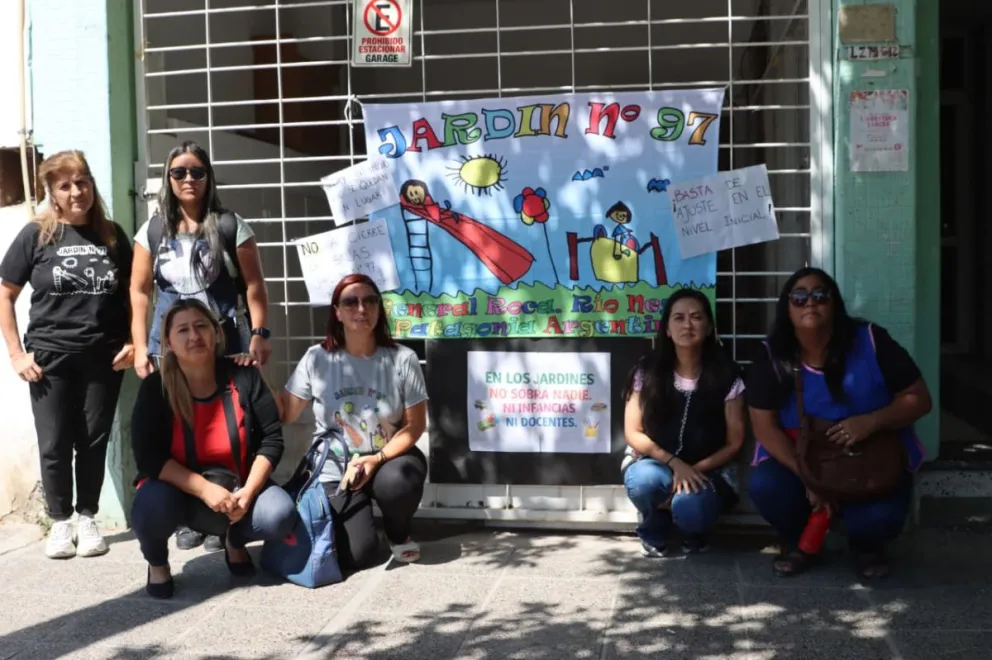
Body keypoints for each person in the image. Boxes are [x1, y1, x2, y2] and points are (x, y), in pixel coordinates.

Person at [130, 140, 273, 553]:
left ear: (209, 177)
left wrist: (260, 334)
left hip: (224, 342)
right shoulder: (152, 230)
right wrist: (139, 346)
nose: (188, 179)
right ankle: (188, 514)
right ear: (168, 179)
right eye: (179, 172)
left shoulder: (229, 225)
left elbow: (254, 285)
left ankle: (224, 516)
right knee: (179, 426)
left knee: (228, 426)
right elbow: (139, 291)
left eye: (197, 171)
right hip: (171, 348)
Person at [746, 267, 931, 579]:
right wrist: (810, 478)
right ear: (787, 307)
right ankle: (800, 541)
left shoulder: (871, 340)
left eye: (820, 295)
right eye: (799, 297)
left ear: (834, 303)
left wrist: (872, 421)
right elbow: (764, 426)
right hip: (802, 455)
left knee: (877, 518)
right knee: (766, 486)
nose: (810, 303)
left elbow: (920, 399)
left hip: (869, 454)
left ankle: (866, 545)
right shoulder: (772, 355)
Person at [0, 151, 134, 559]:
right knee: (54, 440)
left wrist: (133, 342)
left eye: (82, 182)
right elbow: (5, 295)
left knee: (93, 439)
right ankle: (60, 522)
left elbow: (135, 292)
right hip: (49, 358)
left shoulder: (112, 235)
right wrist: (17, 354)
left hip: (103, 357)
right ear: (52, 193)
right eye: (65, 185)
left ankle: (87, 516)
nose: (76, 192)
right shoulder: (36, 235)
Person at [130, 298, 296, 599]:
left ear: (217, 333)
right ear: (168, 342)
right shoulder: (156, 387)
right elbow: (149, 457)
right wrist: (205, 490)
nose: (194, 336)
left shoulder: (243, 375)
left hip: (237, 488)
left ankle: (234, 540)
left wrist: (249, 492)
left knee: (278, 514)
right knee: (150, 503)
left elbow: (272, 439)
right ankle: (157, 563)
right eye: (183, 330)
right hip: (178, 494)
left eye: (201, 326)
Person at [275, 273, 428, 571]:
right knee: (358, 555)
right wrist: (256, 370)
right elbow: (287, 413)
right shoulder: (316, 358)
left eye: (370, 301)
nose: (361, 309)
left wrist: (377, 459)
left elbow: (415, 425)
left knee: (399, 482)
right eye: (350, 302)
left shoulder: (402, 358)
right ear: (337, 312)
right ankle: (364, 523)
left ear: (379, 308)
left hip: (387, 459)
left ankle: (398, 532)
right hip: (337, 468)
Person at [621, 288, 745, 557]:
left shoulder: (727, 374)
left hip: (708, 470)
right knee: (646, 481)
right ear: (667, 328)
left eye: (696, 317)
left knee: (692, 505)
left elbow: (735, 441)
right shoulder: (647, 370)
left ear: (709, 327)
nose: (687, 325)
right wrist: (675, 465)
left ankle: (694, 534)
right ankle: (654, 529)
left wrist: (692, 470)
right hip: (654, 462)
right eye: (678, 318)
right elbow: (632, 431)